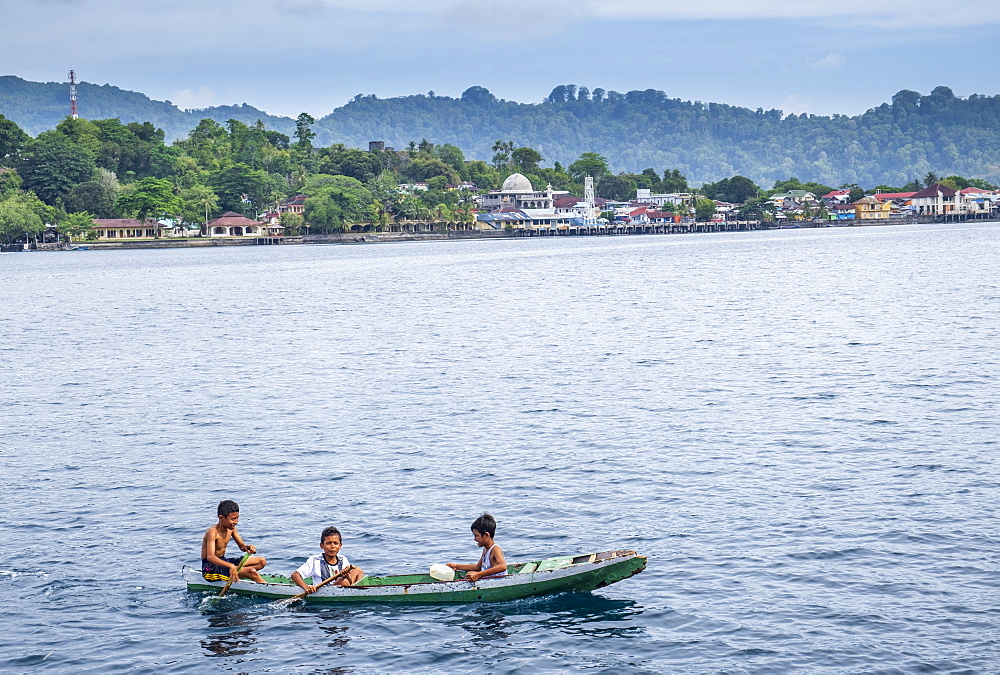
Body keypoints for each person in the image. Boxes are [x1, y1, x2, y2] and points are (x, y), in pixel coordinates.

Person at [200, 499, 267, 583]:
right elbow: (210, 557)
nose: (236, 521)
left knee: (262, 561)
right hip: (211, 569)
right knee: (252, 571)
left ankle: (238, 574)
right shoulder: (212, 532)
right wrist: (231, 566)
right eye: (233, 519)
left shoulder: (231, 529)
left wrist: (248, 547)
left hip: (223, 561)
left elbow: (242, 547)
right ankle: (248, 575)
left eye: (237, 518)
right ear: (221, 518)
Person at [291, 526, 365, 593]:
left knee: (358, 570)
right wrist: (306, 587)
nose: (332, 546)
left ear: (340, 545)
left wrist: (347, 575)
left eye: (335, 543)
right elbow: (295, 575)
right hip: (324, 591)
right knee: (343, 581)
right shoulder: (315, 560)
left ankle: (358, 593)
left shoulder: (343, 559)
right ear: (322, 545)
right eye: (328, 543)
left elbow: (350, 581)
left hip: (343, 588)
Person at [447, 513, 507, 581]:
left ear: (486, 535)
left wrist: (478, 574)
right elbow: (477, 567)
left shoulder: (495, 549)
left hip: (499, 582)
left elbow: (502, 566)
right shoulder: (485, 550)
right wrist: (456, 566)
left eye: (476, 536)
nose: (475, 539)